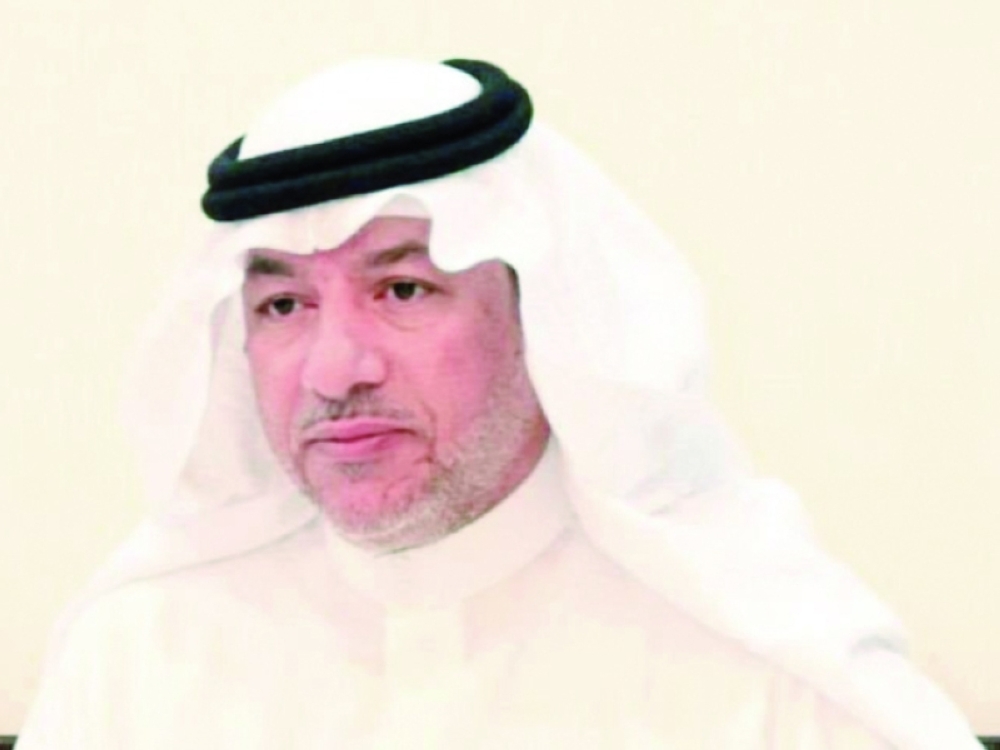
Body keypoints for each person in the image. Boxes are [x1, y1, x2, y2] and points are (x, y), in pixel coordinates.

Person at [16, 58, 981, 749]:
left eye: (403, 290)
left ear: (541, 316)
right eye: (283, 306)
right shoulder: (137, 658)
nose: (333, 370)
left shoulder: (769, 675)